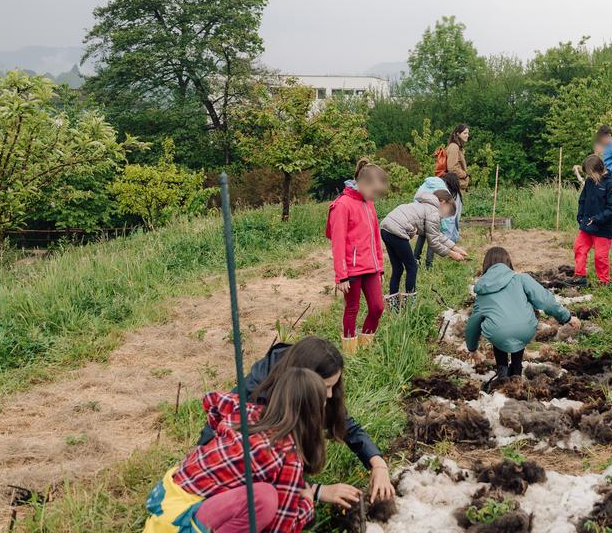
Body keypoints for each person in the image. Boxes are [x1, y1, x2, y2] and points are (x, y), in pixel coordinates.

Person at [197, 337, 395, 504]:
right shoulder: (258, 403)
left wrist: (378, 463)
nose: (329, 395)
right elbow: (257, 477)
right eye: (325, 387)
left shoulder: (306, 377)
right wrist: (318, 491)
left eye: (333, 386)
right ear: (304, 383)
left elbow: (342, 422)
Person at [143, 366, 327, 533]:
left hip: (166, 501)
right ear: (313, 411)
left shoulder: (246, 412)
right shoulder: (289, 455)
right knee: (265, 498)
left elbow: (212, 400)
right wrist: (307, 503)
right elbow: (281, 528)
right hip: (183, 524)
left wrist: (223, 438)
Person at [465, 247, 577, 390]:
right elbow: (546, 301)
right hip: (525, 329)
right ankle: (517, 368)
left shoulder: (483, 289)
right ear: (508, 262)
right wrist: (567, 317)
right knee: (517, 321)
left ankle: (503, 370)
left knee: (498, 325)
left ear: (486, 264)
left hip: (499, 334)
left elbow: (473, 323)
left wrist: (472, 349)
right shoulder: (521, 278)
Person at [326, 160, 389, 355]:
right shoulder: (342, 205)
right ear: (363, 184)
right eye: (374, 192)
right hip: (351, 270)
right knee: (352, 308)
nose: (375, 197)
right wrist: (341, 275)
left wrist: (379, 266)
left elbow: (375, 237)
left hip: (370, 267)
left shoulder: (368, 203)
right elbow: (337, 242)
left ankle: (365, 345)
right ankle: (350, 353)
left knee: (378, 307)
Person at [380, 189, 467, 307]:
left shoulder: (424, 206)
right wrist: (452, 254)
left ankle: (393, 305)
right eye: (448, 211)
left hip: (385, 228)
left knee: (398, 268)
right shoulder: (433, 212)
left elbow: (435, 234)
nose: (445, 216)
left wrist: (455, 248)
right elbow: (434, 243)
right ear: (442, 202)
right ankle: (410, 306)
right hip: (397, 229)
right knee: (412, 267)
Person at [569, 154, 612, 287]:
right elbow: (583, 199)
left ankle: (604, 281)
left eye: (590, 173)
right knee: (579, 248)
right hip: (586, 224)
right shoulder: (590, 181)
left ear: (598, 170)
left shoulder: (611, 183)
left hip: (603, 227)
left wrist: (596, 219)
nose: (589, 177)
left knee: (600, 256)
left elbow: (611, 209)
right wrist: (580, 216)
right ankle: (580, 276)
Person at [411, 172, 463, 272]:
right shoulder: (443, 189)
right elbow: (445, 215)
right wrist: (443, 228)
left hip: (420, 212)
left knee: (422, 236)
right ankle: (429, 265)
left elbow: (416, 198)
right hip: (432, 214)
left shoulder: (428, 183)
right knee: (433, 238)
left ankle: (415, 260)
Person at [445, 124, 471, 193]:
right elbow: (452, 168)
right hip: (454, 187)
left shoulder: (459, 147)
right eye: (465, 133)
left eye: (468, 133)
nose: (467, 135)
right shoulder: (454, 147)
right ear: (458, 134)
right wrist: (465, 175)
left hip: (458, 186)